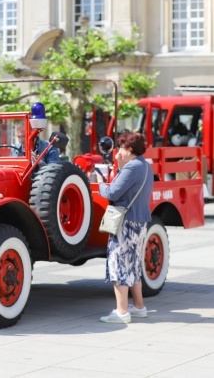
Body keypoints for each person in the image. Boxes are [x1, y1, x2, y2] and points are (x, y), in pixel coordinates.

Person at [95, 132, 154, 324]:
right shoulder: (145, 166)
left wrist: (99, 182)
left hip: (126, 223)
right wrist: (120, 168)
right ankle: (138, 307)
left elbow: (112, 192)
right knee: (134, 264)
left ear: (129, 149)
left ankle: (121, 312)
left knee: (118, 263)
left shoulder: (132, 168)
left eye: (121, 147)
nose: (118, 151)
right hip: (140, 221)